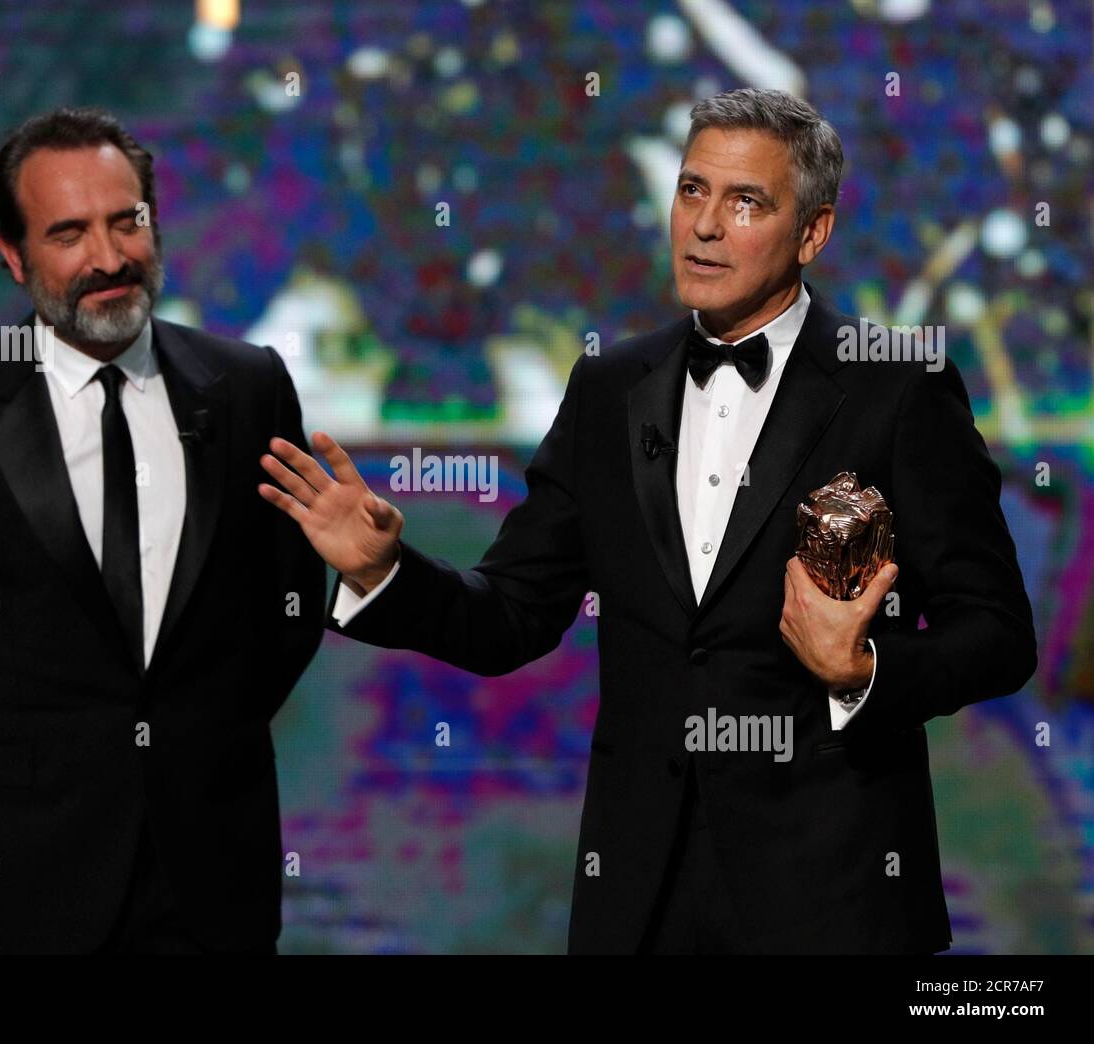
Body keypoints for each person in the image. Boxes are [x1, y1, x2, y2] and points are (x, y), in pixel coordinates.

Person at [258, 88, 1037, 954]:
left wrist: (860, 670)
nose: (703, 226)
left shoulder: (897, 387)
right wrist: (384, 573)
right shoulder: (608, 391)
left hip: (831, 904)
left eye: (746, 202)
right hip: (637, 904)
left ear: (812, 234)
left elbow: (997, 633)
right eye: (692, 190)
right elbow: (513, 613)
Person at [0, 107, 325, 954]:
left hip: (214, 868)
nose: (108, 258)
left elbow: (287, 604)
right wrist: (4, 764)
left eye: (125, 221)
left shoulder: (247, 387)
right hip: (20, 878)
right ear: (14, 257)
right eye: (69, 233)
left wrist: (199, 741)